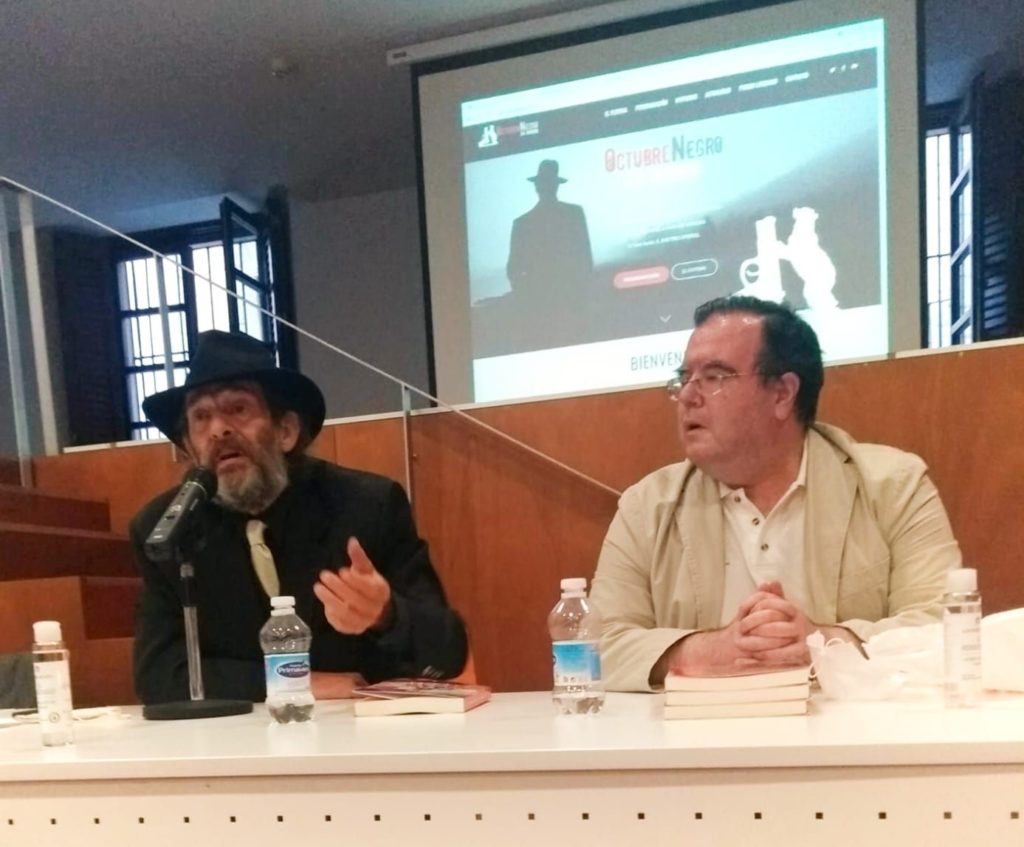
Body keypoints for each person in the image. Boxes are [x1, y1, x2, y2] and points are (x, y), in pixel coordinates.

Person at [590, 296, 961, 692]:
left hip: (849, 740)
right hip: (695, 744)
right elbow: (594, 645)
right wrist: (712, 652)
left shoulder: (893, 486)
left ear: (783, 393)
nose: (687, 396)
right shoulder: (645, 506)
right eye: (685, 378)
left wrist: (820, 644)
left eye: (714, 377)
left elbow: (944, 626)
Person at [131, 330, 468, 704]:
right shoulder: (164, 529)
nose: (219, 430)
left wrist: (387, 614)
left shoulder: (367, 505)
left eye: (238, 409)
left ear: (286, 431)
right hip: (235, 743)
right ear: (190, 449)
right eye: (201, 417)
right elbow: (159, 675)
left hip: (357, 739)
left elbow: (448, 652)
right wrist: (295, 684)